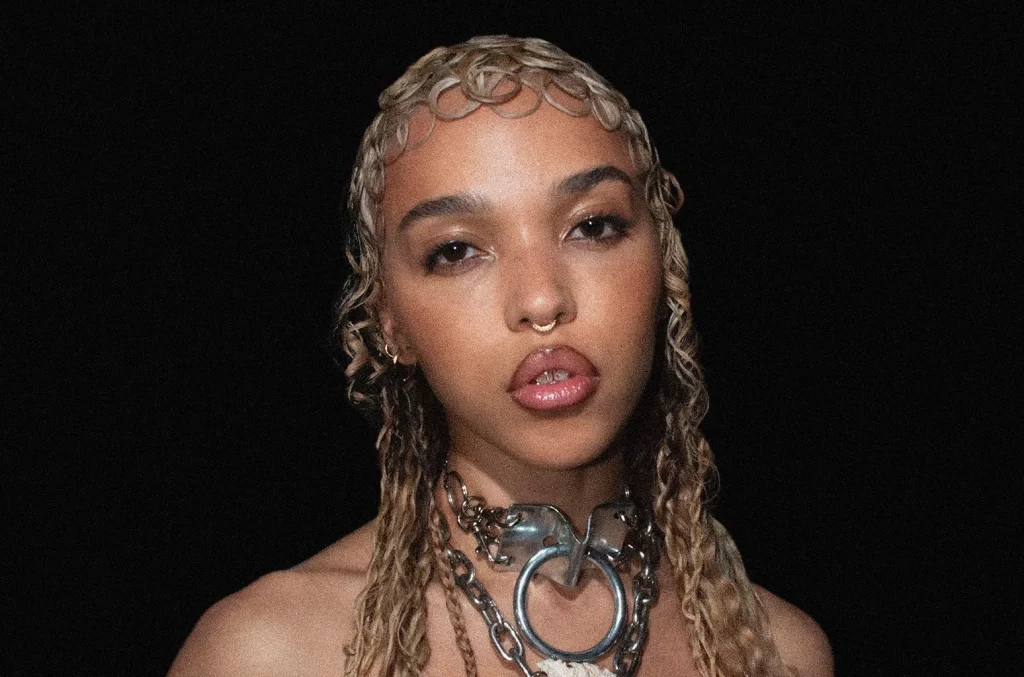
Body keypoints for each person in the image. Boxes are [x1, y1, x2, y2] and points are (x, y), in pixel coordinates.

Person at [169, 35, 833, 677]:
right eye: (456, 251)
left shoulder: (780, 653)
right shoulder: (270, 652)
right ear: (390, 322)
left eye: (593, 226)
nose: (541, 300)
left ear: (666, 267)